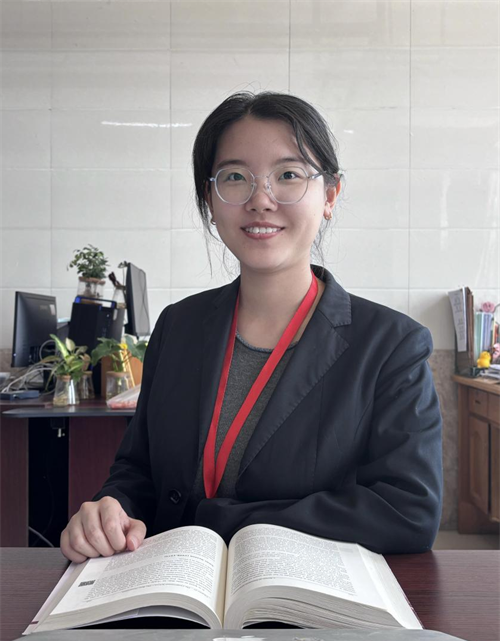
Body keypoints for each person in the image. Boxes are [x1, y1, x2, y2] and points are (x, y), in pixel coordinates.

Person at [60, 91, 443, 564]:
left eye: (288, 175)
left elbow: (408, 513)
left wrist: (221, 521)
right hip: (172, 589)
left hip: (303, 600)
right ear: (209, 199)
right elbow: (138, 470)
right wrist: (111, 509)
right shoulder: (178, 326)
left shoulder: (391, 346)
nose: (261, 200)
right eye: (235, 177)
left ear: (329, 195)